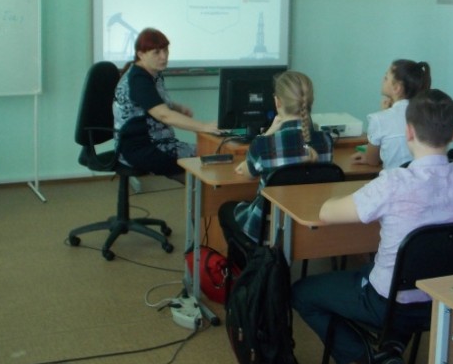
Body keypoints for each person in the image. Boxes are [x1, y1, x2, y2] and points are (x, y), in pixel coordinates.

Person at [293, 88, 453, 364]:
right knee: (394, 272)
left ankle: (372, 360)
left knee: (302, 292)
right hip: (447, 303)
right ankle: (391, 349)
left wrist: (339, 195)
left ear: (408, 131)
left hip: (389, 303)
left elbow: (327, 213)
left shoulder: (393, 183)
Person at [217, 70, 334, 247]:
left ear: (277, 102)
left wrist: (268, 133)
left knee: (226, 209)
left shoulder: (264, 145)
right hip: (310, 229)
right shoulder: (326, 141)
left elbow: (247, 173)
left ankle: (256, 260)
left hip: (269, 229)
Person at [112, 27, 217, 176]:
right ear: (141, 54)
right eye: (156, 52)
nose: (164, 57)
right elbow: (164, 115)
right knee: (209, 157)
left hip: (157, 142)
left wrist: (176, 107)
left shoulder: (151, 72)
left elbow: (151, 102)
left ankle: (197, 187)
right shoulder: (138, 79)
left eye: (166, 50)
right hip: (140, 149)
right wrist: (204, 127)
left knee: (208, 153)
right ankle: (198, 188)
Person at [352, 59, 432, 169]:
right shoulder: (429, 114)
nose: (382, 80)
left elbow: (372, 161)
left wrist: (384, 113)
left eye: (386, 78)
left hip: (395, 179)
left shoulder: (378, 119)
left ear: (397, 88)